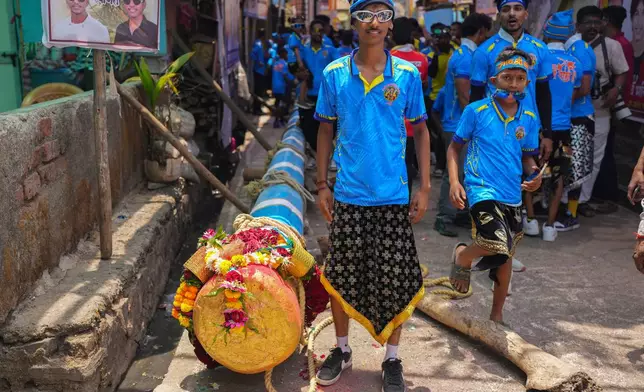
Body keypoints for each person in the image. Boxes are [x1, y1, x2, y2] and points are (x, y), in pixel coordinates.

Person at [314, 0, 430, 390]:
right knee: (341, 276)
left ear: (391, 24)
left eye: (382, 15)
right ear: (354, 22)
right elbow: (325, 131)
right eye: (366, 15)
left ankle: (392, 359)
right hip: (348, 193)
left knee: (396, 279)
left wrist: (425, 187)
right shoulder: (334, 74)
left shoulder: (408, 75)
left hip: (393, 194)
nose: (374, 23)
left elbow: (422, 131)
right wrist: (321, 184)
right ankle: (343, 350)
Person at [447, 47, 543, 323]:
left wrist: (534, 174)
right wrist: (455, 182)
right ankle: (463, 256)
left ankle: (496, 316)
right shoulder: (475, 111)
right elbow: (454, 149)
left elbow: (527, 156)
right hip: (481, 188)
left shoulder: (529, 117)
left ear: (527, 82)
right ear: (493, 81)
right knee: (494, 240)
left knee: (506, 256)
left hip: (512, 193)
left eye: (519, 79)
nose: (513, 84)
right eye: (507, 77)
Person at [470, 0, 553, 238]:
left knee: (522, 182)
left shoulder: (539, 48)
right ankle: (493, 241)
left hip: (527, 131)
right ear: (499, 14)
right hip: (492, 132)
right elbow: (475, 97)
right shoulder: (484, 51)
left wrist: (547, 133)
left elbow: (545, 94)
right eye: (506, 9)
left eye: (517, 8)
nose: (512, 14)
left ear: (526, 13)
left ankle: (505, 243)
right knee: (493, 188)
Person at [432, 13, 492, 238]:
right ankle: (444, 217)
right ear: (481, 32)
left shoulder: (462, 54)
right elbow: (464, 94)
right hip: (458, 123)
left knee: (463, 171)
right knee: (454, 172)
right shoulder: (467, 57)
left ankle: (457, 213)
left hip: (455, 121)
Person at [575, 6, 629, 217]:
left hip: (600, 110)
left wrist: (616, 89)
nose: (593, 26)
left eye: (597, 22)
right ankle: (562, 199)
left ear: (603, 23)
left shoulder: (612, 47)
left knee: (595, 158)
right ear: (578, 25)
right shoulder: (571, 46)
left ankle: (582, 201)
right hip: (574, 111)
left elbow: (621, 72)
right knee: (572, 157)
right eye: (588, 22)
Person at [536, 10, 581, 242]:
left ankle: (530, 220)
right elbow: (574, 94)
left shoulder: (539, 58)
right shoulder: (575, 63)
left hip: (539, 126)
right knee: (559, 176)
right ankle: (550, 227)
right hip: (563, 128)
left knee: (530, 170)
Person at [559, 11, 598, 231]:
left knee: (575, 168)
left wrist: (560, 102)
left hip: (579, 116)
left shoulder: (581, 50)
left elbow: (584, 88)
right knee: (564, 165)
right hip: (567, 116)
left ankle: (571, 214)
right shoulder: (568, 49)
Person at [391, 17, 429, 198]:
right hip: (414, 123)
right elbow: (424, 86)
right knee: (408, 163)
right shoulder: (422, 59)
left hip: (392, 124)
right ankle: (405, 200)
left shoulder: (388, 59)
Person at [299, 20, 338, 156]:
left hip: (326, 96)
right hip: (308, 96)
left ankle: (327, 156)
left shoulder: (330, 49)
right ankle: (315, 155)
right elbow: (295, 69)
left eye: (321, 31)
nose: (318, 33)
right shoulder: (303, 50)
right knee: (309, 128)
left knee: (329, 128)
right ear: (310, 32)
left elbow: (338, 69)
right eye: (315, 30)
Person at [427, 23, 455, 178]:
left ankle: (446, 164)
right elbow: (431, 74)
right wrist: (436, 56)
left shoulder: (455, 54)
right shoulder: (432, 56)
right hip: (434, 98)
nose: (443, 41)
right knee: (439, 133)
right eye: (440, 38)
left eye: (445, 38)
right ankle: (439, 163)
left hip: (451, 100)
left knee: (448, 133)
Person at [271, 47, 296, 128]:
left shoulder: (275, 63)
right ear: (283, 54)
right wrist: (293, 83)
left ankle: (277, 120)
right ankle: (279, 121)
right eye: (286, 54)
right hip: (282, 87)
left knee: (278, 103)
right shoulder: (284, 64)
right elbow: (285, 76)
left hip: (275, 87)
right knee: (283, 105)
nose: (287, 56)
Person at [250, 29, 270, 115]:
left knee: (260, 90)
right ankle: (256, 109)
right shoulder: (258, 44)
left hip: (260, 70)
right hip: (258, 70)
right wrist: (259, 62)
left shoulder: (260, 44)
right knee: (258, 91)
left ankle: (258, 108)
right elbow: (252, 54)